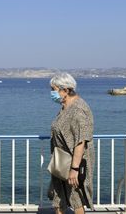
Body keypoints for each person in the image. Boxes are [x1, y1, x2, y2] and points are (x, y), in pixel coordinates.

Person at [48, 73, 95, 214]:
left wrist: (74, 169)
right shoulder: (65, 106)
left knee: (76, 198)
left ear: (66, 90)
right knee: (58, 197)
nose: (52, 93)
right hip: (61, 161)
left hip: (74, 162)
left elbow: (80, 141)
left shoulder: (78, 109)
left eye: (54, 89)